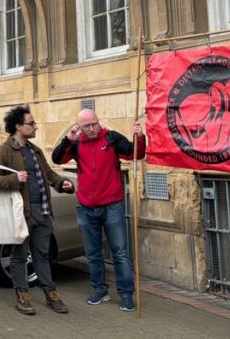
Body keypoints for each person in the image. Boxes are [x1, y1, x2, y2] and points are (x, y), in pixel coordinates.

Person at [53, 107, 145, 311]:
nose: (93, 128)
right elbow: (57, 160)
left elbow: (135, 154)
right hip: (86, 207)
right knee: (93, 254)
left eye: (95, 123)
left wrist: (140, 137)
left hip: (112, 205)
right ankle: (99, 290)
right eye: (88, 126)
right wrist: (68, 140)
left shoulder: (111, 138)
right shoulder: (76, 144)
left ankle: (126, 294)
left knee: (120, 253)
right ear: (80, 127)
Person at [0, 104, 73, 317]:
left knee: (42, 255)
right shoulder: (4, 150)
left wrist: (62, 182)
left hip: (43, 210)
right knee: (19, 255)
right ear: (18, 126)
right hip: (22, 212)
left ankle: (50, 293)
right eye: (31, 123)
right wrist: (13, 178)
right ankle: (22, 295)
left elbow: (49, 174)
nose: (35, 126)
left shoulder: (34, 150)